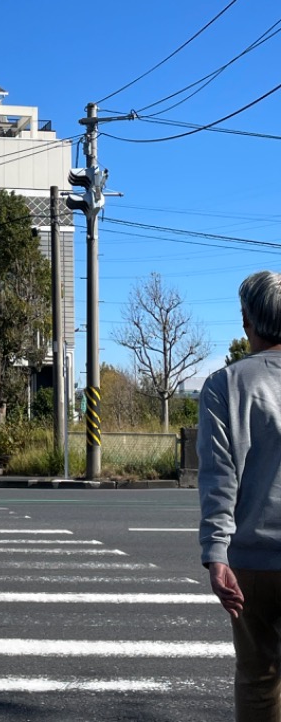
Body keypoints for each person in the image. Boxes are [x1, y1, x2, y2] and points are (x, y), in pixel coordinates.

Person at [198, 270, 281, 722]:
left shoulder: (225, 385)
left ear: (247, 320)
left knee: (257, 678)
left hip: (250, 560)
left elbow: (219, 476)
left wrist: (216, 554)